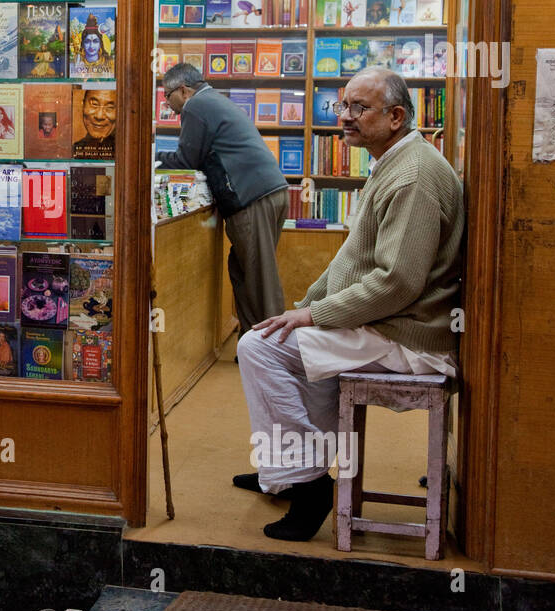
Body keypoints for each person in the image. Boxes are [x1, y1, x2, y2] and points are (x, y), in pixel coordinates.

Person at [233, 67, 464, 542]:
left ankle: (308, 483)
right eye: (342, 106)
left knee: (258, 347)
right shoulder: (396, 161)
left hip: (411, 334)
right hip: (391, 325)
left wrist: (314, 315)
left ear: (396, 116)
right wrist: (307, 307)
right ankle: (289, 473)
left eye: (359, 108)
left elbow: (397, 282)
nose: (344, 118)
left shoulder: (413, 176)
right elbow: (353, 261)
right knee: (299, 350)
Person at [156, 63, 288, 333]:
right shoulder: (215, 100)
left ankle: (274, 349)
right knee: (242, 269)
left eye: (167, 96)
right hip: (269, 191)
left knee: (259, 278)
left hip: (251, 198)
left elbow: (186, 160)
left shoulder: (196, 106)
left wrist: (153, 157)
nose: (167, 104)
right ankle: (253, 341)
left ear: (183, 90)